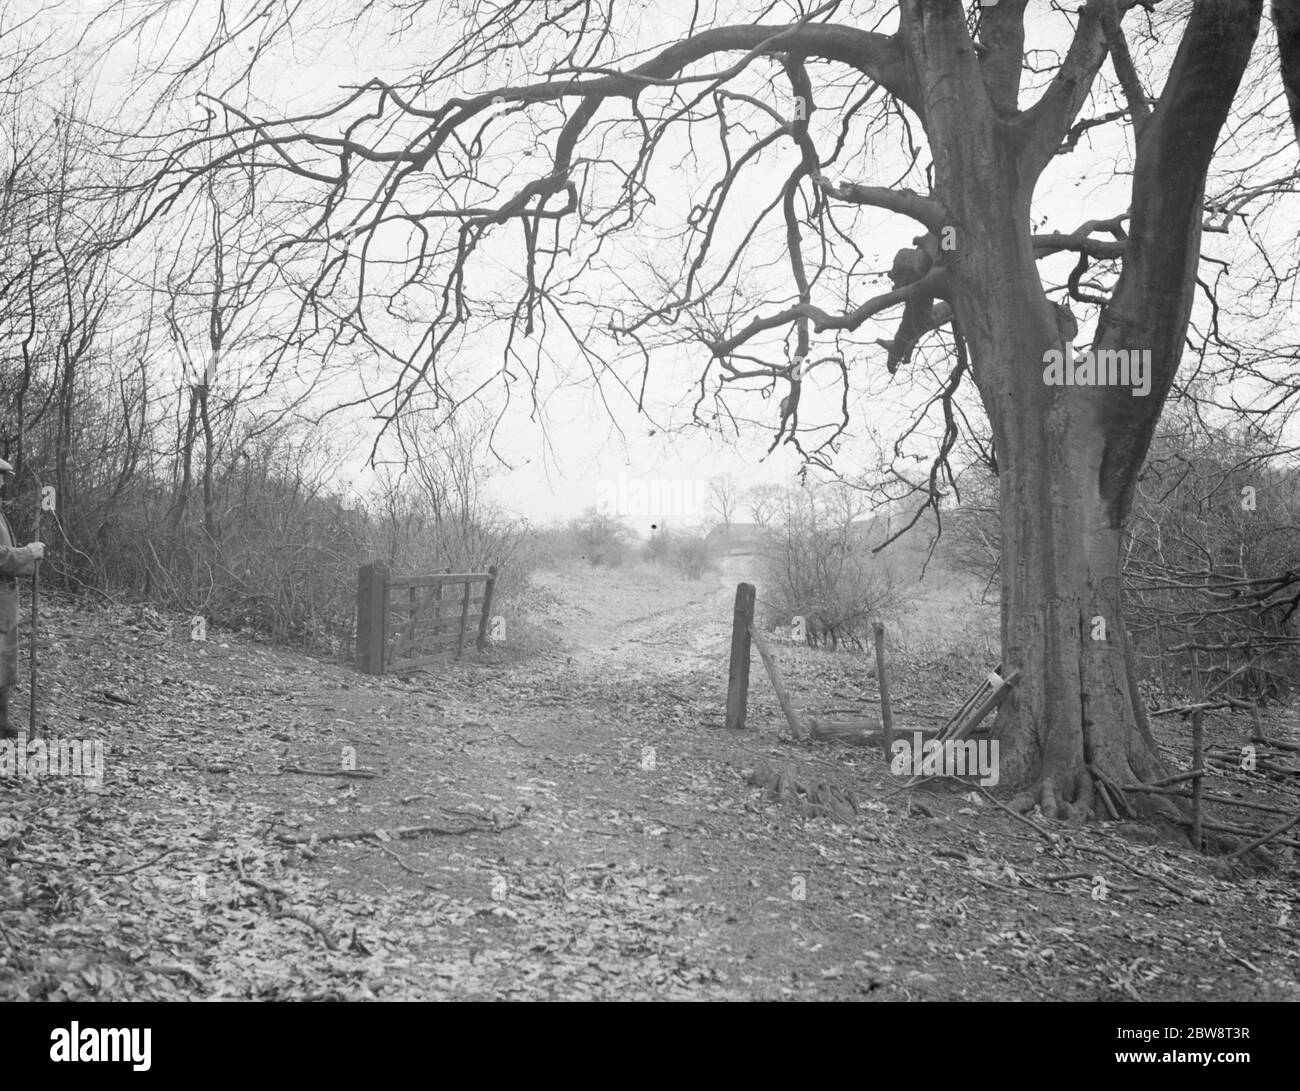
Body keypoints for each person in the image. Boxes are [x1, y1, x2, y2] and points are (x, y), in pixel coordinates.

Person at [0, 458, 44, 740]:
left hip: (4, 602)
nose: (3, 483)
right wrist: (28, 553)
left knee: (4, 662)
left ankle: (1, 723)